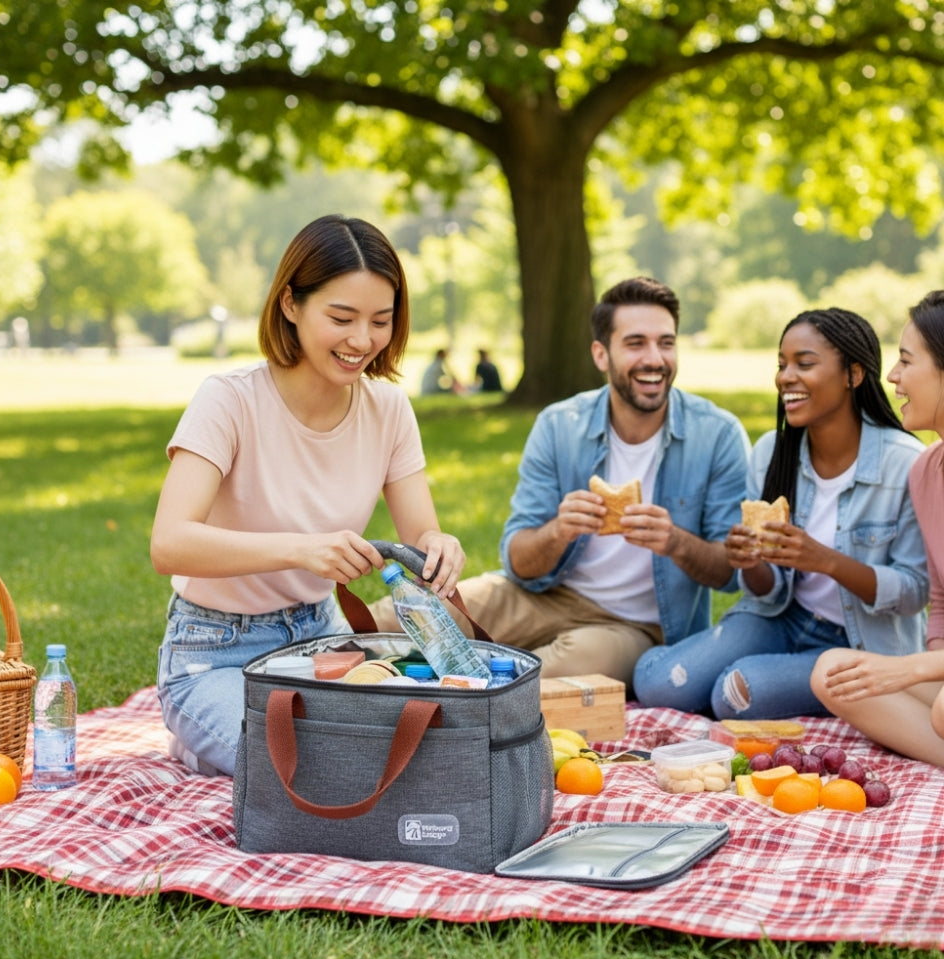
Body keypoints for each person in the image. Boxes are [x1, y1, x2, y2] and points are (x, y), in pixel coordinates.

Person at [150, 215, 467, 776]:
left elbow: (421, 533)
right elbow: (169, 544)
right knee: (313, 768)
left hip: (323, 639)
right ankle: (206, 732)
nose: (362, 340)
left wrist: (439, 546)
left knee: (401, 754)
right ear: (290, 304)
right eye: (341, 318)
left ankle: (224, 747)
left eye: (381, 321)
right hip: (215, 651)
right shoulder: (229, 401)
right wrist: (303, 549)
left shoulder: (389, 410)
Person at [374, 276, 751, 686]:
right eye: (636, 343)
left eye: (666, 343)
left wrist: (675, 541)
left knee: (546, 673)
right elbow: (517, 560)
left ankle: (465, 696)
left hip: (637, 626)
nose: (655, 359)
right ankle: (331, 681)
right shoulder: (559, 425)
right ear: (601, 354)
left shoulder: (718, 435)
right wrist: (559, 531)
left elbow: (730, 573)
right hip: (543, 595)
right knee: (397, 619)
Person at [634, 307, 929, 720]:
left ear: (854, 374)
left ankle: (797, 685)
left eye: (803, 364)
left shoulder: (906, 464)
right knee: (659, 685)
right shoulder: (771, 453)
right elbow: (767, 590)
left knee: (734, 696)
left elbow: (915, 591)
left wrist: (825, 561)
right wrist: (750, 562)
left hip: (857, 642)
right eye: (781, 365)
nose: (785, 377)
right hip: (779, 618)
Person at [812, 291, 944, 765]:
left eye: (906, 361)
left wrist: (914, 670)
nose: (892, 376)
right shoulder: (926, 470)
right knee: (834, 671)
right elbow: (940, 603)